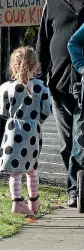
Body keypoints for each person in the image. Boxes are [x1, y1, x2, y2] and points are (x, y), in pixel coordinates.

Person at [36, 0, 84, 207]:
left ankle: (76, 189)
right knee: (66, 144)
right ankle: (81, 183)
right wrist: (39, 77)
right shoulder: (53, 0)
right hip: (59, 83)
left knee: (81, 138)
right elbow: (43, 40)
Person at [0, 47, 51, 216]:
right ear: (35, 66)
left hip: (13, 132)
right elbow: (46, 111)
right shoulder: (41, 87)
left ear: (13, 66)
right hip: (32, 133)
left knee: (16, 170)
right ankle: (33, 200)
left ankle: (17, 202)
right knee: (31, 169)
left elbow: (3, 111)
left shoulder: (6, 88)